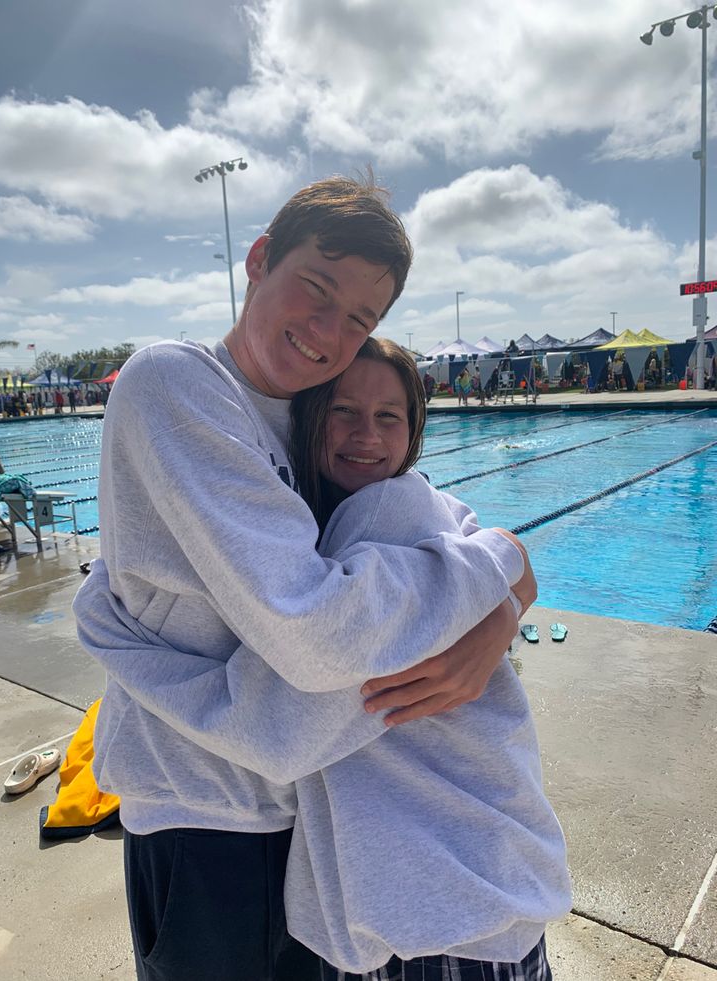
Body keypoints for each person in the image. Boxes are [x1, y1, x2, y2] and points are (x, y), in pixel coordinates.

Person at [73, 176, 533, 981]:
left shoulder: (314, 413)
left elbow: (436, 531)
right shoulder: (178, 385)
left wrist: (504, 593)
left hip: (310, 829)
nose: (330, 330)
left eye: (360, 317)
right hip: (205, 818)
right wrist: (491, 578)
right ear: (258, 260)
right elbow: (323, 634)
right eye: (316, 289)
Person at [285, 338, 570, 979]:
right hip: (469, 880)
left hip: (435, 892)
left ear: (413, 432)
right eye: (343, 411)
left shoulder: (398, 509)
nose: (367, 434)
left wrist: (504, 599)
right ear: (308, 416)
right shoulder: (317, 525)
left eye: (390, 416)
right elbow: (507, 561)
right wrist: (506, 591)